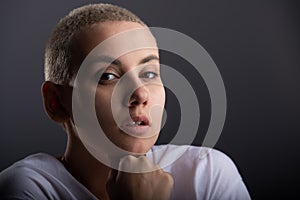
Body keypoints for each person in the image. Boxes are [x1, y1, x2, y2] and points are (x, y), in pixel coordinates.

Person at [0, 3, 251, 200]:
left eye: (149, 74)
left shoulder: (206, 174)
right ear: (56, 102)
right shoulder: (26, 189)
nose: (141, 95)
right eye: (108, 76)